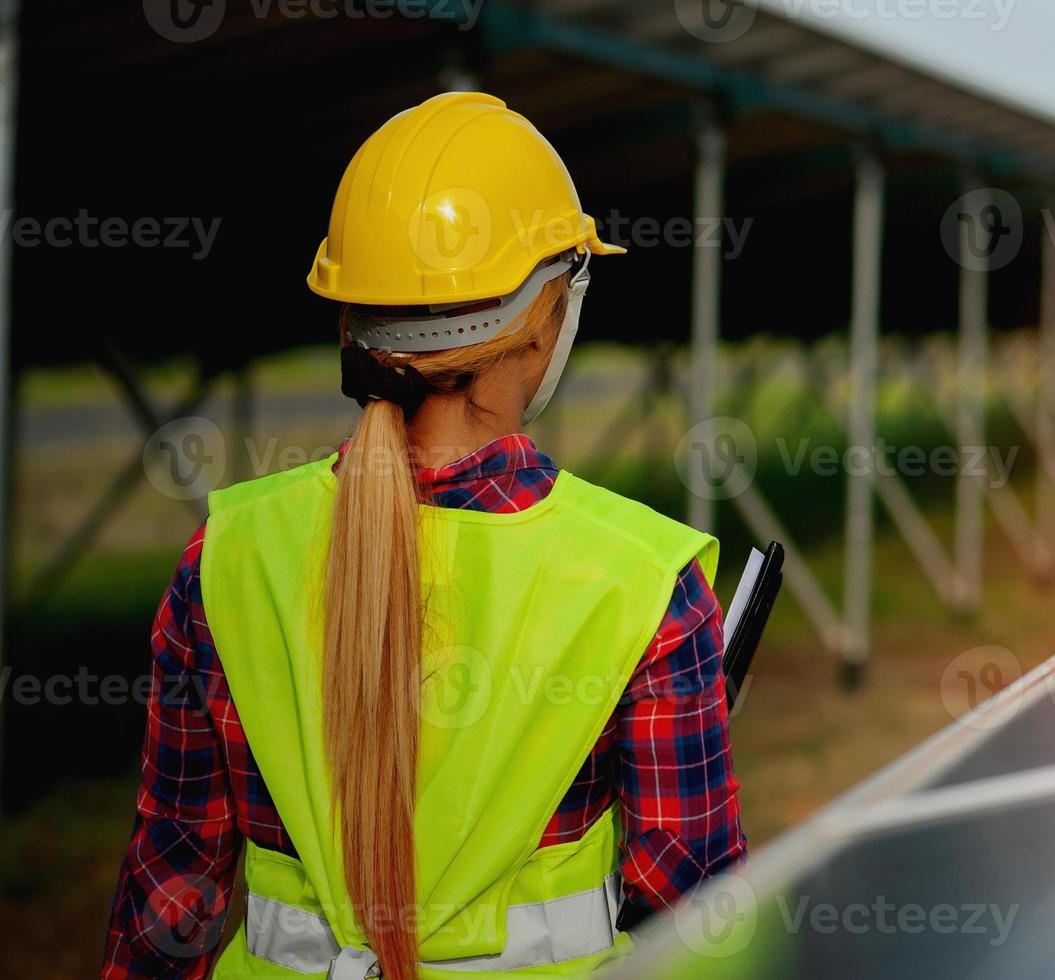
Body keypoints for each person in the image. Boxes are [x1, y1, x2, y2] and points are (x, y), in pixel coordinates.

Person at [101, 92, 745, 979]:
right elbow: (699, 914)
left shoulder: (225, 559)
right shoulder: (643, 583)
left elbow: (167, 901)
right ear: (545, 319)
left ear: (350, 322)